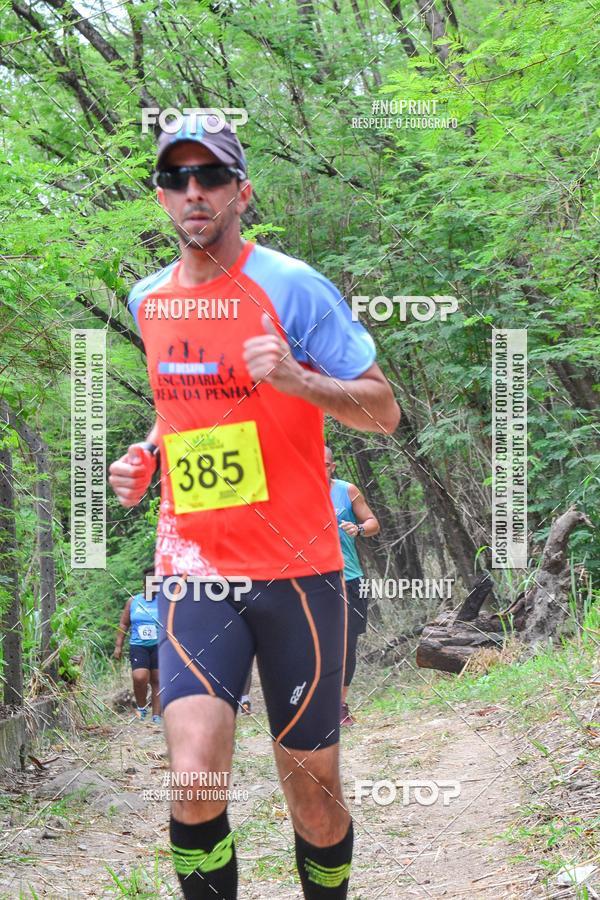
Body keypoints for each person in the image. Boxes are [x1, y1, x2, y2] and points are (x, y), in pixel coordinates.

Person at [109, 112, 400, 900]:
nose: (193, 191)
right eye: (177, 178)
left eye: (210, 177)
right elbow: (180, 411)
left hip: (299, 568)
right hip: (193, 566)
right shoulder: (148, 300)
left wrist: (300, 381)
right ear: (162, 197)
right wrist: (149, 456)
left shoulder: (292, 287)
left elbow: (383, 409)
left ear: (243, 191)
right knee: (194, 778)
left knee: (312, 798)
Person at [325, 447, 380, 727]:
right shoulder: (294, 492)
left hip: (349, 578)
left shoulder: (347, 490)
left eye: (323, 465)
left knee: (347, 645)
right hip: (311, 580)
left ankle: (339, 706)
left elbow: (373, 523)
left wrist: (358, 529)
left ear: (333, 467)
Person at [113, 569, 161, 725]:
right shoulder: (133, 601)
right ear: (144, 585)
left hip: (159, 646)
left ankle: (156, 715)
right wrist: (118, 646)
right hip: (138, 645)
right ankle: (141, 707)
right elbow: (123, 624)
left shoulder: (164, 602)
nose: (154, 587)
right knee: (140, 677)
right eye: (151, 584)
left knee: (157, 680)